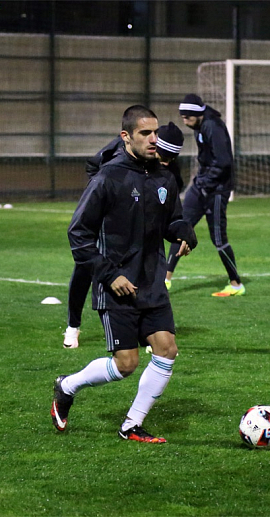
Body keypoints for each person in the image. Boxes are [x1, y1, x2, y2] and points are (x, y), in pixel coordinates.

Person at [51, 105, 197, 443]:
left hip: (152, 281)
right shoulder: (108, 178)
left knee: (167, 349)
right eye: (145, 133)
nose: (153, 139)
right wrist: (108, 274)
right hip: (117, 285)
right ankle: (67, 386)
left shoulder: (164, 177)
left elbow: (171, 220)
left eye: (155, 132)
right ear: (126, 137)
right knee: (126, 364)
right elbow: (78, 233)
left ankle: (131, 425)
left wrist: (184, 232)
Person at [62, 126, 185, 348]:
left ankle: (146, 331)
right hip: (108, 220)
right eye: (163, 157)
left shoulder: (163, 169)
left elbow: (170, 204)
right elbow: (93, 167)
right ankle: (73, 326)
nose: (165, 163)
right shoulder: (121, 152)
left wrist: (182, 231)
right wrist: (111, 199)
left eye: (171, 160)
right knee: (85, 267)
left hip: (136, 226)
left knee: (143, 265)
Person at [165, 93, 245, 297]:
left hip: (216, 190)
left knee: (218, 238)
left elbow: (224, 162)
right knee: (181, 227)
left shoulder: (213, 127)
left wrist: (206, 183)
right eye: (182, 117)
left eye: (187, 117)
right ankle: (165, 280)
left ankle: (236, 284)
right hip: (201, 186)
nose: (185, 121)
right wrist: (200, 182)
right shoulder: (200, 126)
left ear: (196, 114)